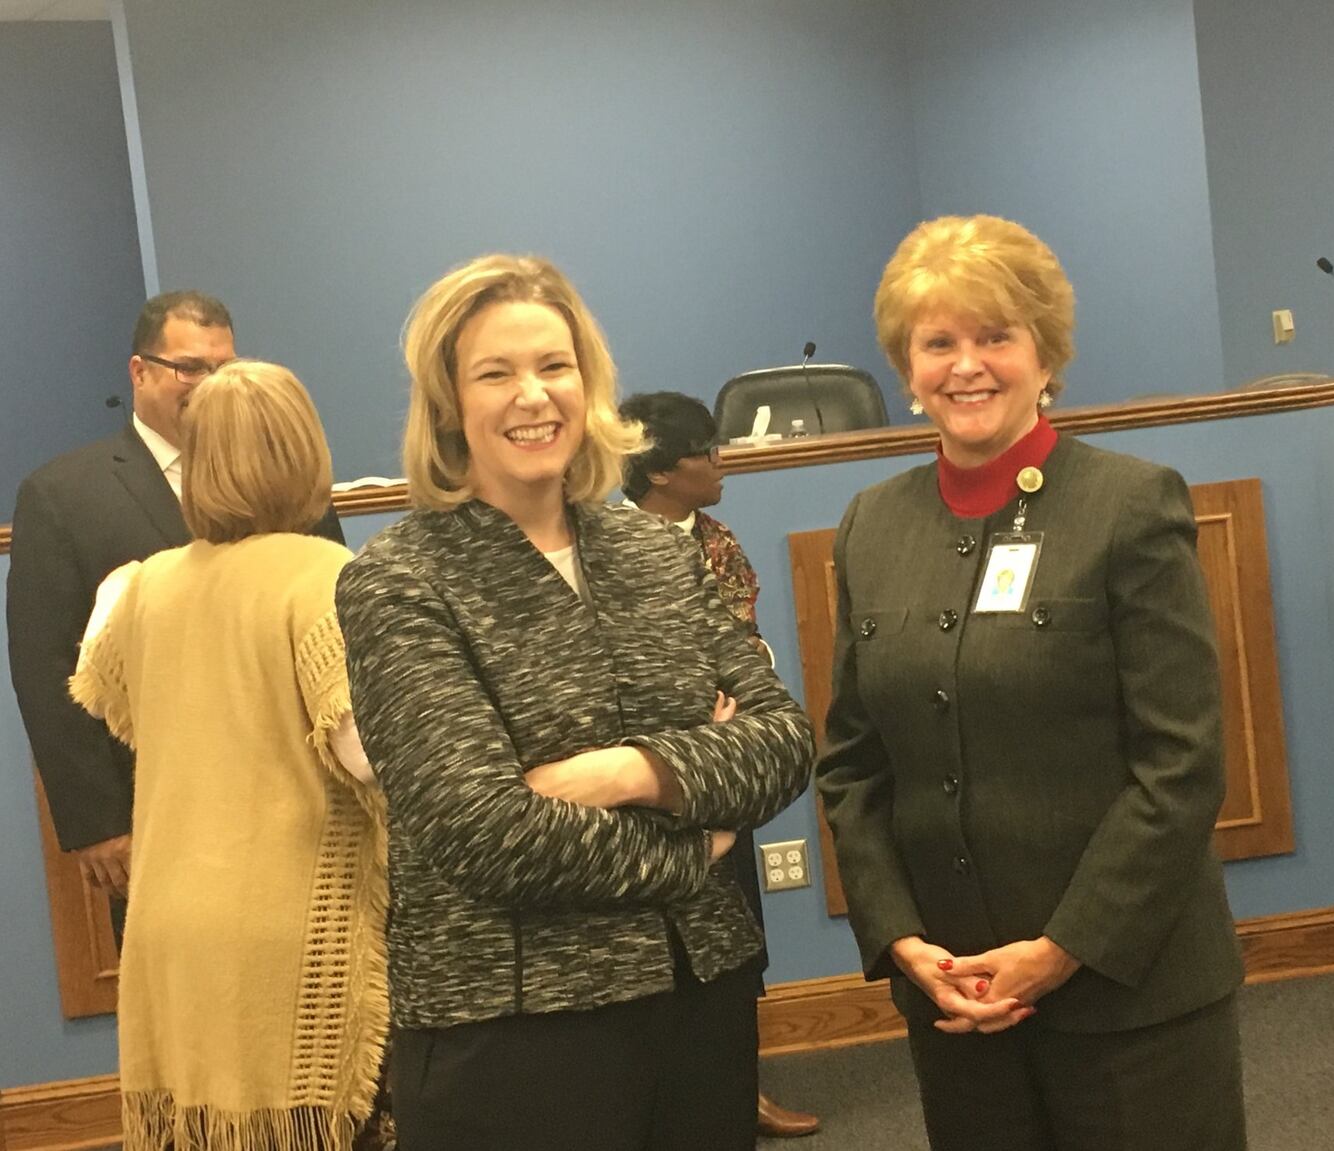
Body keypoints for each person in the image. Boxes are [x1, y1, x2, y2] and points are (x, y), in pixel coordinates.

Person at [335, 254, 814, 1150]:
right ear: (447, 402)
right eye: (496, 372)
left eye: (555, 366)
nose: (533, 395)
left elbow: (782, 741)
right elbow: (483, 831)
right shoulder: (398, 581)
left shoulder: (656, 551)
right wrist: (696, 841)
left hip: (699, 997)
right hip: (515, 1028)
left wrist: (631, 771)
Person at [816, 214, 1246, 1150]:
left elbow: (1182, 763)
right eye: (939, 343)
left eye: (995, 337)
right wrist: (901, 942)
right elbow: (851, 765)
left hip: (1130, 995)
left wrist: (1060, 952)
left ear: (1046, 355)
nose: (966, 365)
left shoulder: (1130, 504)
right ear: (907, 368)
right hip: (955, 995)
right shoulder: (870, 526)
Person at [68, 361, 388, 1151]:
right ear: (307, 452)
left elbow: (117, 707)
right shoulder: (331, 580)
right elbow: (373, 758)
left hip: (167, 927)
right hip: (290, 926)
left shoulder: (136, 589)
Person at [7, 292, 344, 908]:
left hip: (304, 807)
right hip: (154, 817)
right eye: (190, 368)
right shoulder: (62, 495)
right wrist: (99, 822)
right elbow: (45, 666)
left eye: (225, 369)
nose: (210, 386)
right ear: (140, 372)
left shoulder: (291, 481)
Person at [618, 390, 821, 1139]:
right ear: (664, 471)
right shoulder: (607, 546)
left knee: (739, 927)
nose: (721, 462)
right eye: (707, 452)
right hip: (656, 773)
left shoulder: (718, 539)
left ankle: (743, 1085)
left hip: (729, 756)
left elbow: (745, 644)